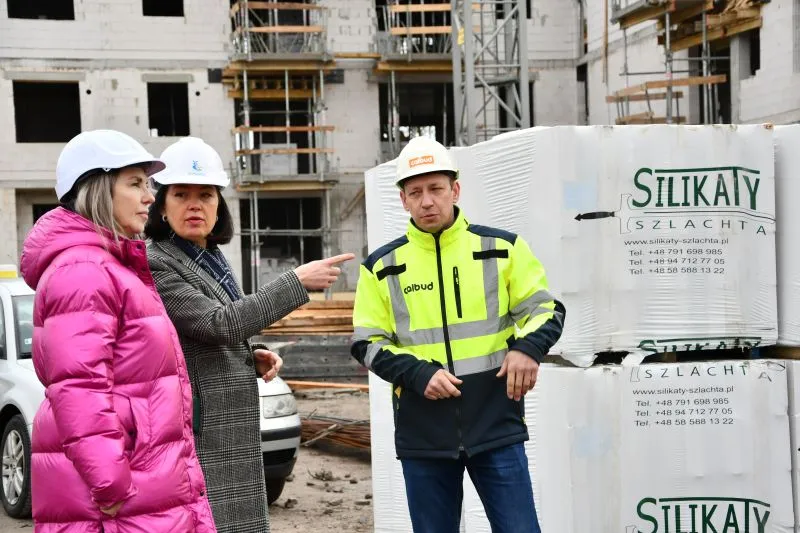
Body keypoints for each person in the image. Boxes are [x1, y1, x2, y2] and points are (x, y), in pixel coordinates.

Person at [351, 136, 565, 533]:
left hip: (495, 423)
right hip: (423, 431)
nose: (427, 201)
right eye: (415, 192)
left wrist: (528, 348)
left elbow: (546, 310)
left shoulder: (502, 249)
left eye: (436, 188)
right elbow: (366, 343)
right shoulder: (381, 268)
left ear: (455, 190)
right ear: (403, 200)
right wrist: (418, 374)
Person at [144, 136, 354, 533]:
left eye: (206, 195)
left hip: (226, 423)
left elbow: (210, 332)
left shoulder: (208, 256)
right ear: (162, 206)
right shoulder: (157, 261)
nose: (195, 205)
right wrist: (295, 281)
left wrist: (249, 353)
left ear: (218, 204)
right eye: (181, 194)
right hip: (202, 429)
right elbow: (218, 323)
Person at [19, 130, 216, 532]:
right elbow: (79, 387)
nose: (149, 197)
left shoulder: (111, 265)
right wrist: (112, 485)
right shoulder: (84, 270)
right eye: (135, 183)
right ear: (97, 189)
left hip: (145, 484)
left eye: (147, 184)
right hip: (122, 501)